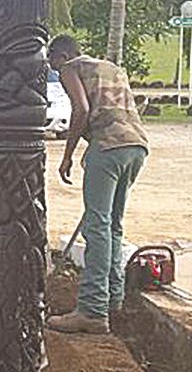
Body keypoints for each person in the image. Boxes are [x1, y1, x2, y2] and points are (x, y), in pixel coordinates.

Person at [48, 35, 149, 334]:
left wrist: (67, 155)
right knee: (113, 225)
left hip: (107, 148)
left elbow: (80, 109)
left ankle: (92, 310)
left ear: (61, 55)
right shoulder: (111, 67)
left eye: (53, 63)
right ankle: (113, 299)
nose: (55, 71)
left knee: (97, 226)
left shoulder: (70, 68)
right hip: (136, 146)